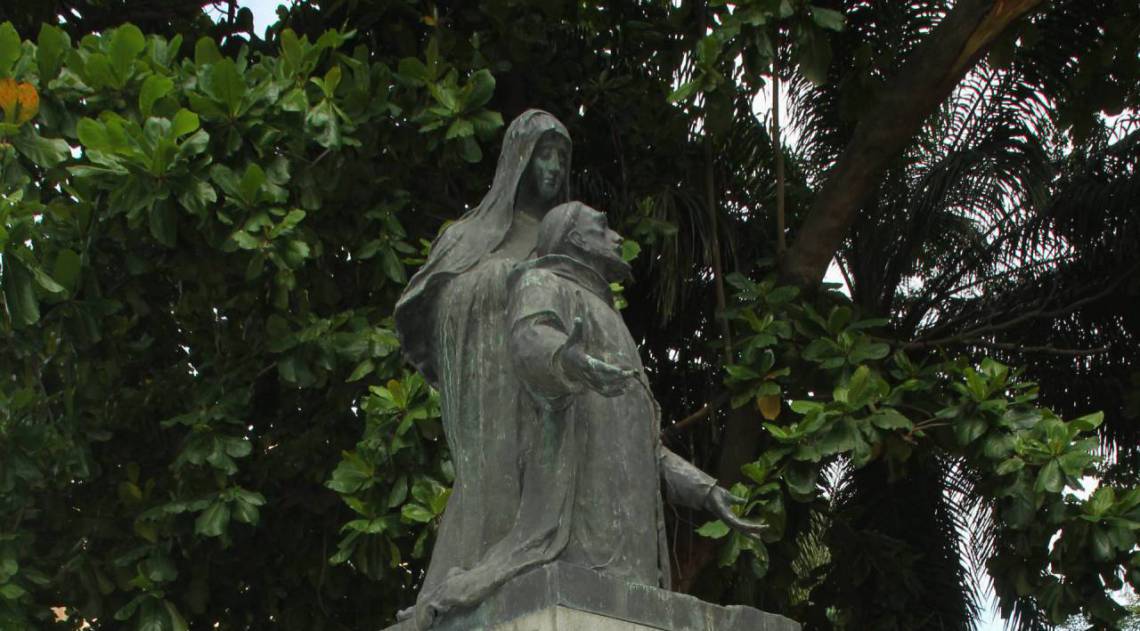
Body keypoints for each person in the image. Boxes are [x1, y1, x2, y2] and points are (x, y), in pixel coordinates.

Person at [413, 202, 763, 629]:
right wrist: (566, 358)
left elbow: (644, 446)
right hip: (579, 530)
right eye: (603, 228)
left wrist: (706, 492)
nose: (617, 237)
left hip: (629, 540)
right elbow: (529, 341)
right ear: (575, 238)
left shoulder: (609, 316)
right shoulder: (542, 282)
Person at [393, 110, 573, 609]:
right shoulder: (467, 236)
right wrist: (499, 281)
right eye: (545, 155)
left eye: (562, 157)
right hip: (488, 385)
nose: (554, 168)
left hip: (547, 390)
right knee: (489, 483)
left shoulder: (564, 237)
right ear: (520, 159)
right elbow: (433, 311)